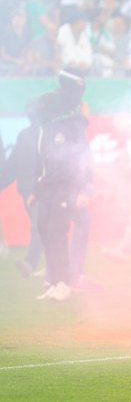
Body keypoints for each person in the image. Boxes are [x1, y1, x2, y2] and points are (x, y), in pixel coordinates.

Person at [34, 70, 93, 301]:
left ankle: (64, 284)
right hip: (47, 187)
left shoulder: (69, 126)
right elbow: (43, 161)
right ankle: (54, 280)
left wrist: (83, 189)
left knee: (57, 232)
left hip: (64, 186)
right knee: (45, 231)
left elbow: (82, 158)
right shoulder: (46, 131)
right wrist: (38, 187)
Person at [0, 96, 46, 277]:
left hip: (40, 189)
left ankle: (31, 263)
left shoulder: (43, 134)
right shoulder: (26, 135)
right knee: (43, 227)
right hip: (28, 190)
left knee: (40, 226)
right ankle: (52, 267)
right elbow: (13, 165)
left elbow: (12, 165)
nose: (30, 113)